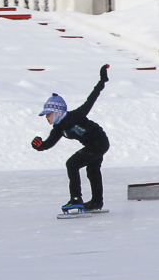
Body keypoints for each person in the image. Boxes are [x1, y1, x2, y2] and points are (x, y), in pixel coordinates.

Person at [34, 65, 111, 212]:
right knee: (92, 170)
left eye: (48, 114)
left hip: (100, 141)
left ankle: (76, 198)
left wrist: (102, 81)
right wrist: (39, 145)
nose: (47, 118)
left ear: (57, 112)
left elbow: (91, 98)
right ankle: (96, 202)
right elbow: (48, 144)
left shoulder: (75, 116)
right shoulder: (58, 129)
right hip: (92, 146)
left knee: (72, 164)